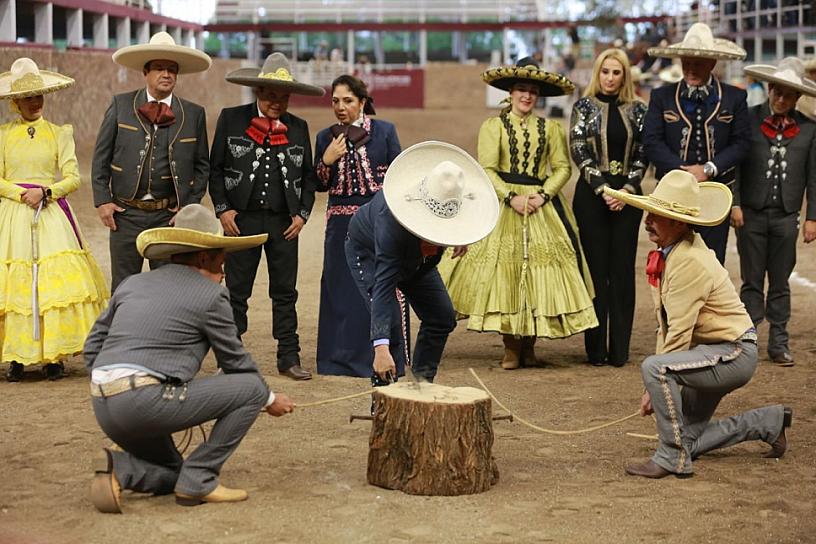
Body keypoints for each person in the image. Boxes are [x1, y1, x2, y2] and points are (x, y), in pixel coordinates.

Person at [86, 204, 295, 513]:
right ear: (202, 257)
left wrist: (116, 381)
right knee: (251, 388)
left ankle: (121, 469)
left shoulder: (133, 283)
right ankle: (202, 479)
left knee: (174, 471)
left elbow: (93, 346)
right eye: (221, 259)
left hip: (103, 403)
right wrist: (269, 398)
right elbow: (237, 363)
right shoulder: (212, 296)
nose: (223, 272)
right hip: (145, 401)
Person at [602, 170, 791, 479]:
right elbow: (669, 326)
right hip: (716, 352)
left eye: (657, 215)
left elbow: (677, 331)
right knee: (686, 437)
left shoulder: (689, 260)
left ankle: (671, 458)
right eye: (649, 212)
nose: (647, 220)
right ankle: (767, 422)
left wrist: (655, 383)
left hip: (732, 352)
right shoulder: (676, 252)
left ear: (678, 222)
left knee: (653, 368)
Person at [439, 57, 597, 370]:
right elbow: (487, 168)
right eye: (521, 89)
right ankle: (511, 346)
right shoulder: (493, 127)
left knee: (540, 275)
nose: (526, 96)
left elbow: (563, 167)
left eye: (532, 91)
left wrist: (542, 195)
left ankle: (529, 347)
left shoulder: (550, 128)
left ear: (538, 96)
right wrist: (511, 197)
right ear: (510, 93)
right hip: (503, 205)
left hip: (540, 205)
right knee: (505, 274)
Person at [209, 53, 323, 381]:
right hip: (240, 220)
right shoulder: (231, 119)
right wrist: (223, 209)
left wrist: (302, 215)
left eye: (283, 96)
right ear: (258, 91)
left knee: (285, 292)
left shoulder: (299, 127)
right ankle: (229, 359)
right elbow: (215, 170)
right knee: (236, 292)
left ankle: (289, 357)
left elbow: (307, 178)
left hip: (283, 223)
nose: (277, 102)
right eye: (271, 95)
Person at [345, 142, 498, 382]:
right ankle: (384, 400)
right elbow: (384, 287)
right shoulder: (391, 228)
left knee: (442, 316)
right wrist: (381, 348)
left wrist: (461, 234)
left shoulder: (447, 198)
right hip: (370, 253)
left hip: (418, 262)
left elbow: (461, 217)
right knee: (391, 326)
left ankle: (422, 386)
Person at [0, 58, 108, 382]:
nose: (35, 102)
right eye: (28, 97)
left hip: (49, 212)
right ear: (14, 102)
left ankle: (53, 357)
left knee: (52, 284)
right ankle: (17, 358)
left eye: (39, 96)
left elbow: (74, 177)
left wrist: (47, 192)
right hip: (14, 215)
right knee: (15, 282)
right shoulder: (3, 135)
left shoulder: (59, 133)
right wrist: (21, 194)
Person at [91, 32, 211, 292]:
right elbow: (101, 157)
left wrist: (188, 207)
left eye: (171, 69)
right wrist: (102, 200)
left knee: (168, 288)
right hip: (125, 215)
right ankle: (124, 333)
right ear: (145, 72)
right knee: (123, 287)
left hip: (167, 217)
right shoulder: (121, 105)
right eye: (159, 68)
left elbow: (203, 167)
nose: (166, 74)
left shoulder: (193, 114)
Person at [313, 75, 401, 377]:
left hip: (378, 222)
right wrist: (326, 160)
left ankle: (386, 357)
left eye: (348, 100)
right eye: (335, 101)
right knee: (340, 290)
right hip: (338, 224)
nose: (341, 107)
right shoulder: (325, 137)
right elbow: (319, 184)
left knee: (380, 286)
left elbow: (398, 178)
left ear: (362, 102)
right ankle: (338, 361)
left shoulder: (385, 131)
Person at [643, 23, 752, 263]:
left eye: (698, 63)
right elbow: (651, 142)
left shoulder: (734, 97)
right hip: (672, 193)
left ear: (712, 64)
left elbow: (742, 143)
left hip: (715, 193)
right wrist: (682, 171)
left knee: (712, 261)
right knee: (671, 260)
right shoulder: (661, 96)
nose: (691, 69)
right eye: (687, 63)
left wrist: (708, 169)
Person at [732, 58, 816, 367]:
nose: (780, 99)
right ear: (769, 89)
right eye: (776, 92)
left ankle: (779, 342)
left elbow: (813, 176)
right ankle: (748, 341)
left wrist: (812, 217)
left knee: (780, 282)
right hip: (750, 214)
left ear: (798, 98)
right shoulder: (749, 120)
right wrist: (735, 203)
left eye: (788, 95)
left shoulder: (809, 130)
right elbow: (737, 167)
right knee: (751, 280)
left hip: (786, 216)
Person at [569, 48, 649, 367]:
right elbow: (577, 149)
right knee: (596, 271)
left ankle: (619, 350)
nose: (610, 78)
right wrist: (604, 189)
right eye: (605, 72)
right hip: (592, 197)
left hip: (628, 199)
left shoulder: (638, 110)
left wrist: (626, 189)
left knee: (622, 273)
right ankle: (595, 350)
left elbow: (645, 152)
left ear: (625, 76)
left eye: (617, 72)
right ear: (597, 73)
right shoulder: (583, 107)